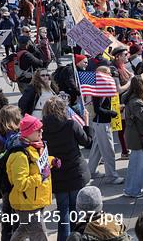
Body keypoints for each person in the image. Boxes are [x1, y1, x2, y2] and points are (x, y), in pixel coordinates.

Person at [42, 96, 93, 241]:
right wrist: (86, 124)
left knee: (63, 211)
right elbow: (87, 142)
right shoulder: (70, 125)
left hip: (57, 174)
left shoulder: (42, 128)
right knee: (75, 210)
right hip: (75, 172)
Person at [7, 114, 60, 241]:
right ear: (29, 132)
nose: (42, 131)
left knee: (24, 229)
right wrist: (41, 177)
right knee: (40, 236)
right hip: (27, 204)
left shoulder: (36, 146)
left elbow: (40, 164)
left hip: (35, 200)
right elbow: (20, 184)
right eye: (38, 129)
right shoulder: (20, 155)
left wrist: (52, 161)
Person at [0, 105, 22, 241]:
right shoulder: (22, 132)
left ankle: (6, 237)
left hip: (3, 177)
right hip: (19, 174)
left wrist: (0, 160)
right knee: (19, 212)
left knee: (6, 212)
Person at [87, 66, 124, 184]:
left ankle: (91, 171)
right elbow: (98, 109)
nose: (110, 75)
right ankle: (111, 176)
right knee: (108, 150)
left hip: (100, 123)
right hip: (102, 123)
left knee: (97, 149)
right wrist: (112, 113)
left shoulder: (102, 88)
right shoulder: (99, 90)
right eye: (108, 73)